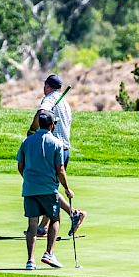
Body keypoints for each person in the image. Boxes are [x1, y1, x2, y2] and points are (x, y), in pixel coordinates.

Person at [27, 74, 86, 237]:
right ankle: (42, 227)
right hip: (64, 149)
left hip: (53, 149)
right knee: (50, 188)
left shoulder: (50, 99)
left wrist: (32, 130)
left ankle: (74, 213)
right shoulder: (65, 103)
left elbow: (41, 112)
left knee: (48, 189)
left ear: (47, 86)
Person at [17, 109, 74, 270]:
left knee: (32, 225)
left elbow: (20, 166)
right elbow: (60, 170)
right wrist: (67, 189)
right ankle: (49, 253)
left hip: (29, 189)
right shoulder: (56, 143)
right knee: (54, 219)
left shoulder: (26, 141)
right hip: (49, 189)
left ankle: (30, 261)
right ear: (51, 125)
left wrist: (29, 179)